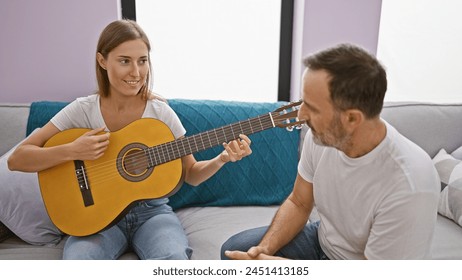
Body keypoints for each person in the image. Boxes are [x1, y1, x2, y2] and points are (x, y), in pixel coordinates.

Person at [7, 19, 252, 260]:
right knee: (79, 261)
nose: (136, 72)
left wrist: (222, 158)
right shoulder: (82, 109)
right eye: (125, 61)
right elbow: (17, 159)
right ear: (102, 61)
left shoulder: (160, 112)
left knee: (173, 258)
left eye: (142, 61)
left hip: (152, 215)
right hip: (96, 218)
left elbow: (192, 174)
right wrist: (73, 150)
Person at [221, 43, 440, 260]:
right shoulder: (322, 137)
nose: (300, 116)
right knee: (235, 252)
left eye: (312, 108)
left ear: (352, 118)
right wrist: (264, 250)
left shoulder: (410, 186)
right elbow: (299, 202)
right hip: (321, 240)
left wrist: (281, 268)